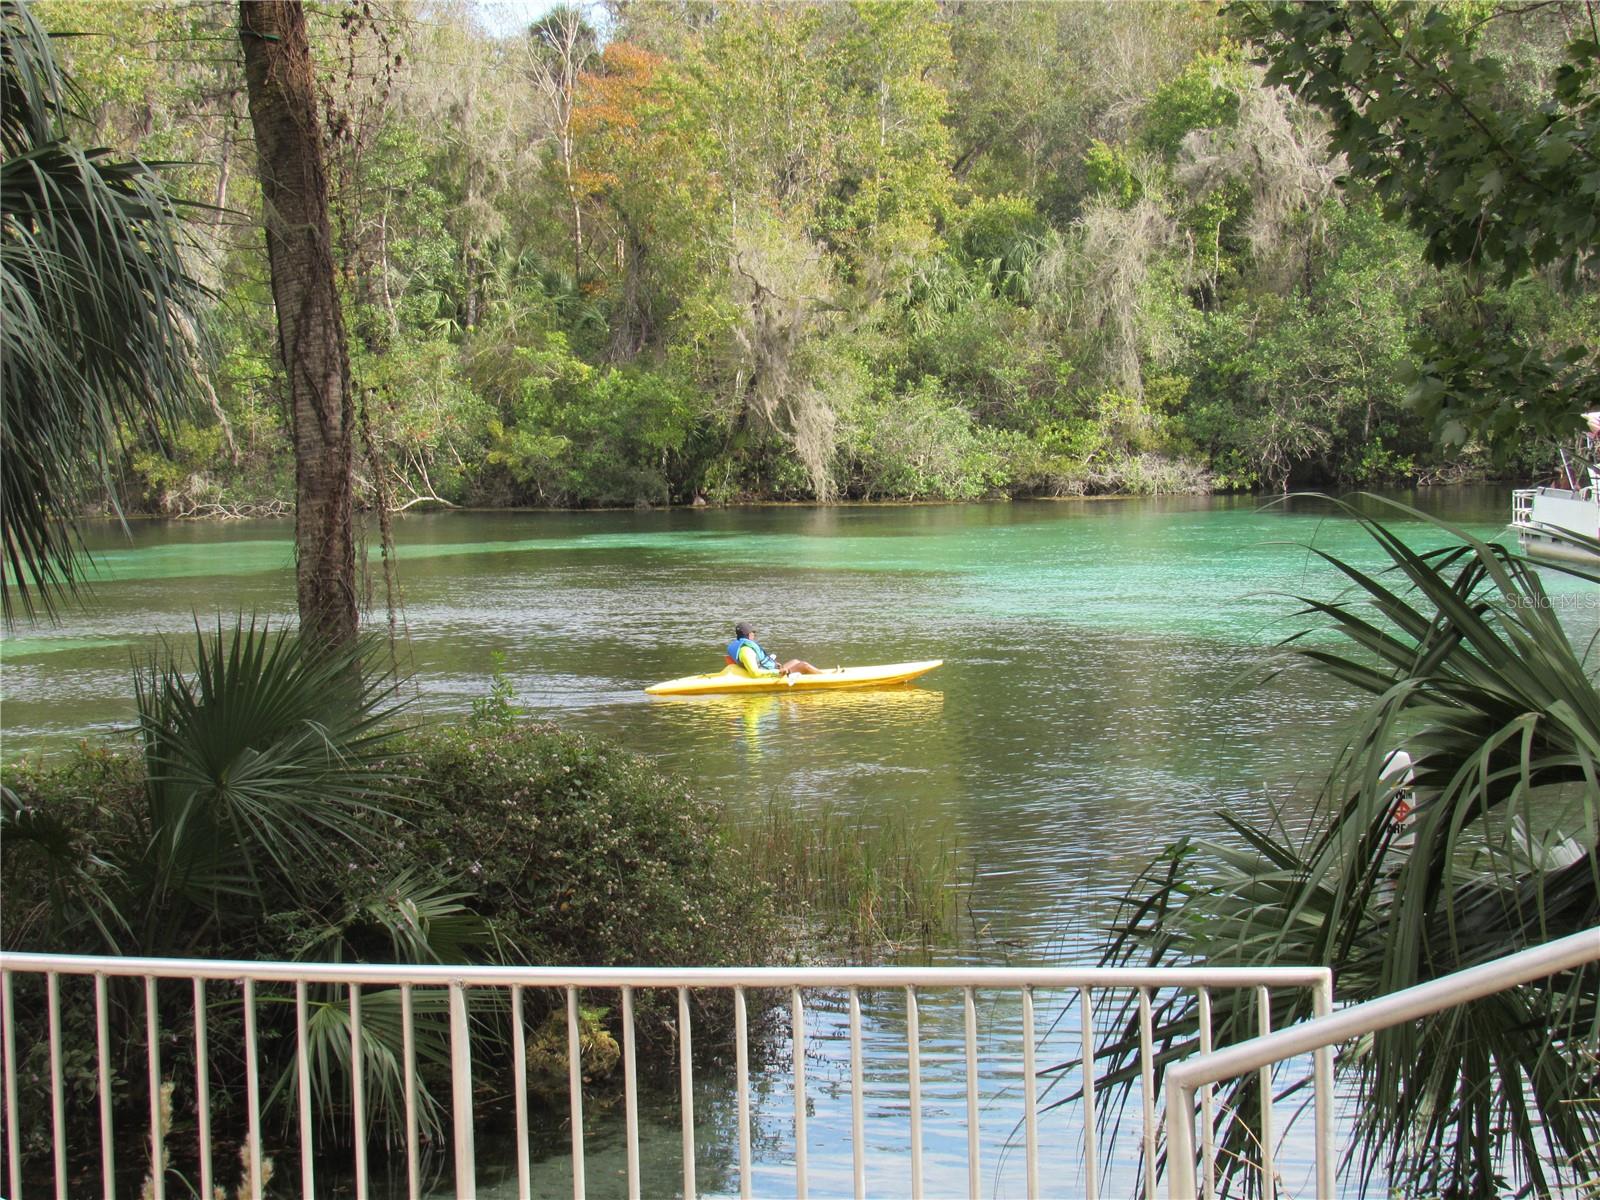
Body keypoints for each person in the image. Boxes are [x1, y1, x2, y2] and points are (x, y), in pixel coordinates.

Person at [726, 623, 822, 677]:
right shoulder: (746, 651)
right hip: (770, 675)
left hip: (770, 670)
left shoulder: (743, 646)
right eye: (752, 632)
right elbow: (754, 673)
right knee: (804, 665)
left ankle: (821, 673)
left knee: (795, 661)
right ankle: (826, 677)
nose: (754, 634)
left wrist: (774, 665)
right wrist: (777, 672)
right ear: (748, 634)